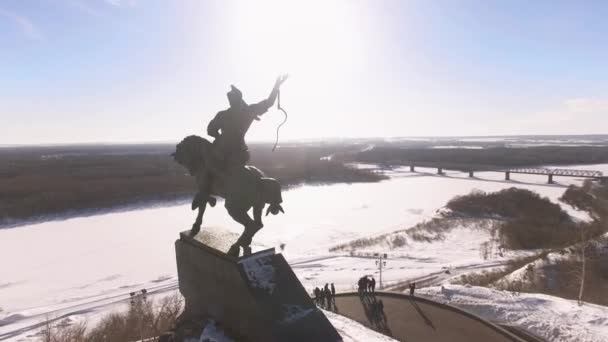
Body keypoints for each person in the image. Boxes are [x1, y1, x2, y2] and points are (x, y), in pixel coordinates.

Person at [207, 75, 289, 169]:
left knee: (210, 167)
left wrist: (219, 138)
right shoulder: (248, 112)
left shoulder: (223, 115)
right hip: (241, 153)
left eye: (231, 98)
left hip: (224, 154)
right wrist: (276, 86)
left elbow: (210, 130)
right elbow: (269, 102)